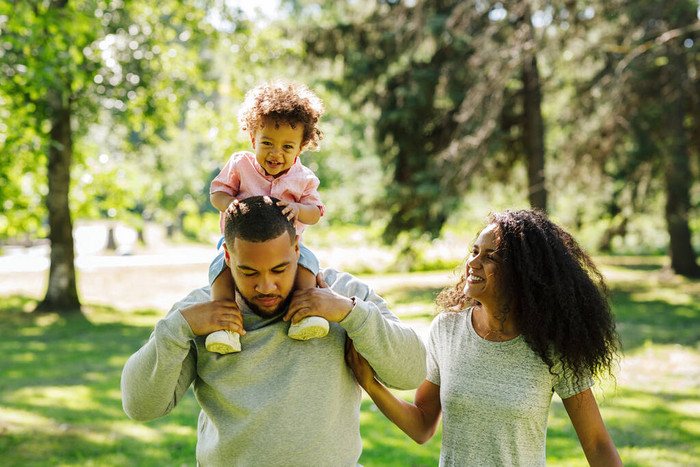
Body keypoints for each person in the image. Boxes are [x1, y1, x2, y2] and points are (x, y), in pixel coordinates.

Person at [121, 196, 427, 466]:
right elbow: (140, 406)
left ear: (297, 249)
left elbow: (411, 373)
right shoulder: (200, 312)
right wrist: (176, 328)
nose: (266, 286)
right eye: (249, 272)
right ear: (227, 257)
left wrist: (350, 313)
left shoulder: (342, 294)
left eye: (279, 270)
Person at [346, 209, 623, 466]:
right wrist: (371, 384)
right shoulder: (447, 329)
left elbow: (596, 443)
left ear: (522, 274)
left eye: (490, 257)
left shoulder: (552, 346)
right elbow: (422, 426)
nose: (472, 263)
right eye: (474, 251)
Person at [207, 79, 328, 353]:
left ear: (301, 148)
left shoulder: (304, 179)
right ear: (253, 139)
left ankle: (304, 313)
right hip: (239, 245)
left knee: (308, 262)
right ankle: (225, 325)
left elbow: (315, 212)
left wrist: (298, 209)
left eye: (287, 147)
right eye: (267, 143)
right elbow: (217, 193)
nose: (276, 153)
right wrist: (230, 204)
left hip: (286, 246)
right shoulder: (240, 164)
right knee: (219, 268)